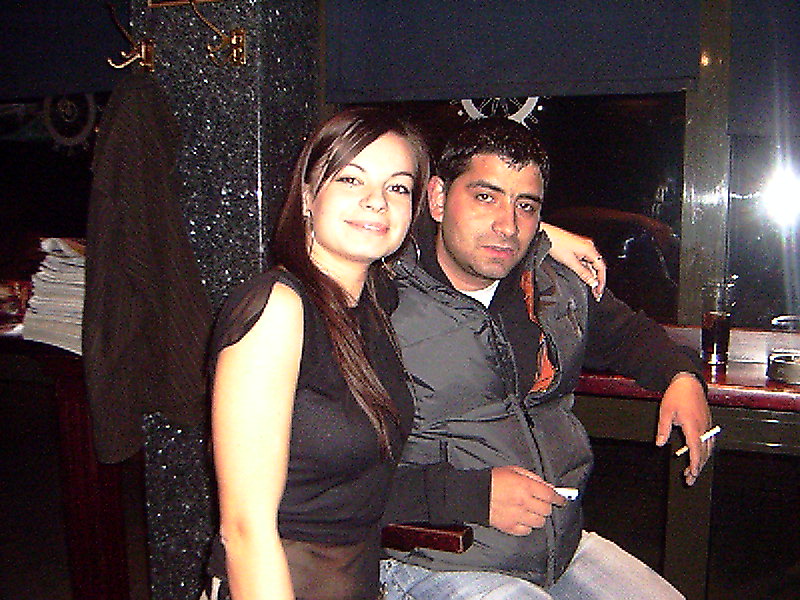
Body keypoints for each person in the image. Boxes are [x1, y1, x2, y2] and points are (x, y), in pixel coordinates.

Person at [203, 107, 608, 600]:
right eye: (351, 179)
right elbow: (245, 531)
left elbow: (455, 235)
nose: (376, 202)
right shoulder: (279, 309)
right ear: (308, 194)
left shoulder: (373, 301)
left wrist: (539, 237)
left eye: (396, 187)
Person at [380, 117, 713, 600]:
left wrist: (682, 376)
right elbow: (326, 478)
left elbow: (629, 334)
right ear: (437, 198)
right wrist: (472, 495)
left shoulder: (552, 285)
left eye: (526, 206)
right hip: (434, 557)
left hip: (559, 547)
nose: (507, 225)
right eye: (485, 196)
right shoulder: (381, 304)